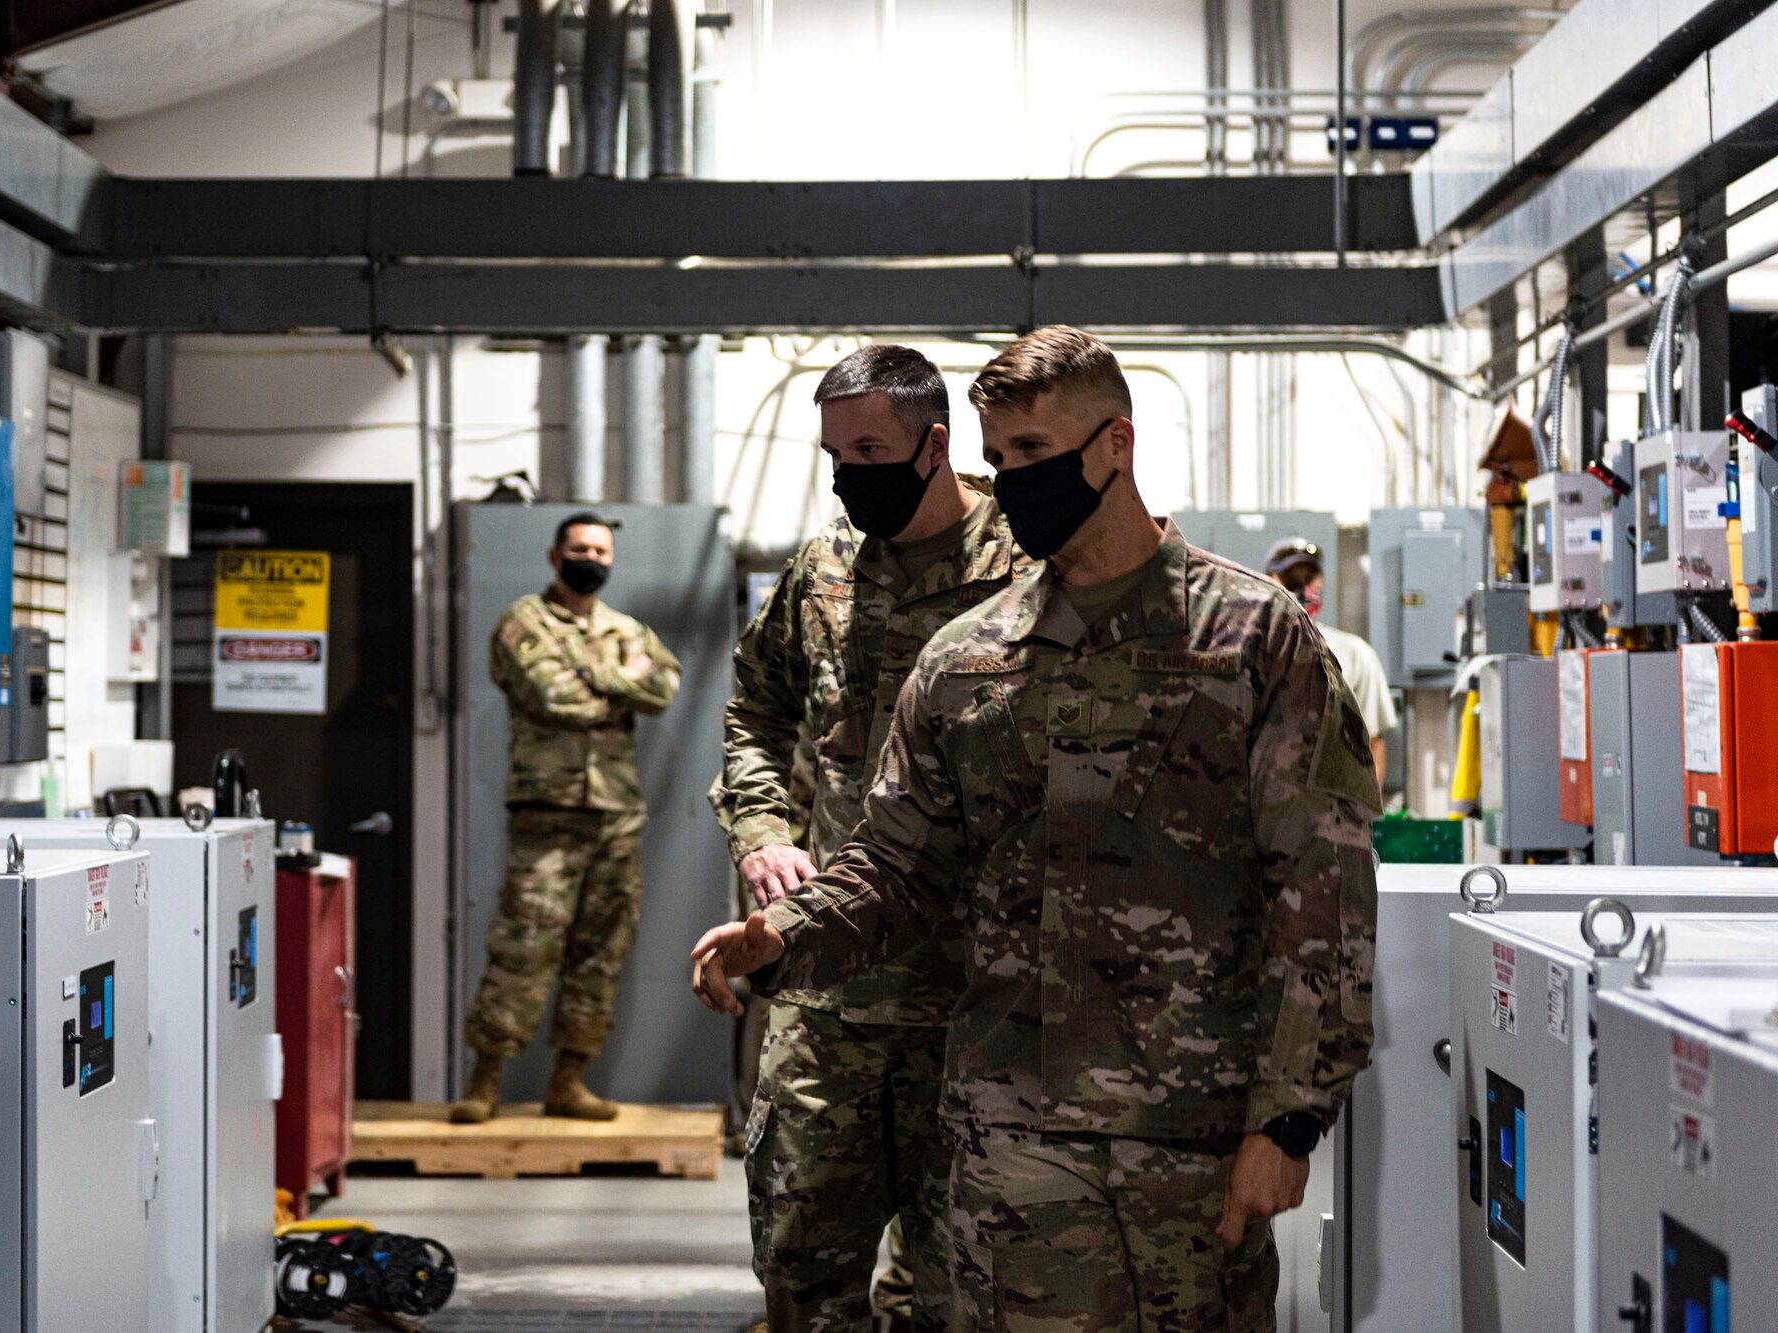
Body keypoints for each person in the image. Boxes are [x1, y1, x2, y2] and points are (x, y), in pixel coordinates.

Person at [691, 327, 1380, 1331]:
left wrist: (1287, 1114)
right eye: (1000, 454)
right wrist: (781, 934)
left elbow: (1319, 895)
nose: (1011, 477)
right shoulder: (967, 658)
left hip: (1183, 1140)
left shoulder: (1250, 634)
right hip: (1004, 1140)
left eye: (1032, 451)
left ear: (1114, 444)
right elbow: (893, 861)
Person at [714, 345, 1030, 1333]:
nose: (849, 475)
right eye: (834, 455)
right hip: (826, 989)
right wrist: (762, 832)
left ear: (933, 445)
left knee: (958, 1291)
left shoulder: (1029, 564)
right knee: (802, 1270)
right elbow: (752, 717)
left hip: (977, 997)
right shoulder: (819, 573)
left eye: (868, 450)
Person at [451, 512, 682, 1124]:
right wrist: (618, 679)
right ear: (556, 557)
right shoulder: (524, 621)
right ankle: (484, 1081)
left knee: (601, 950)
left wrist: (592, 673)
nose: (592, 558)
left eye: (601, 550)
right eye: (580, 548)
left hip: (615, 813)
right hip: (547, 812)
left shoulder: (622, 626)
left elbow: (663, 687)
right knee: (524, 945)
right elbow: (555, 697)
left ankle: (568, 1080)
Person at [1265, 538, 1397, 789]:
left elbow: (1372, 743)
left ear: (1322, 583)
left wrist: (1363, 819)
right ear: (1269, 581)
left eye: (1309, 579)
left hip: (1330, 811)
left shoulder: (1355, 653)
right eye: (1292, 581)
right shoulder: (1251, 649)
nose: (1302, 590)